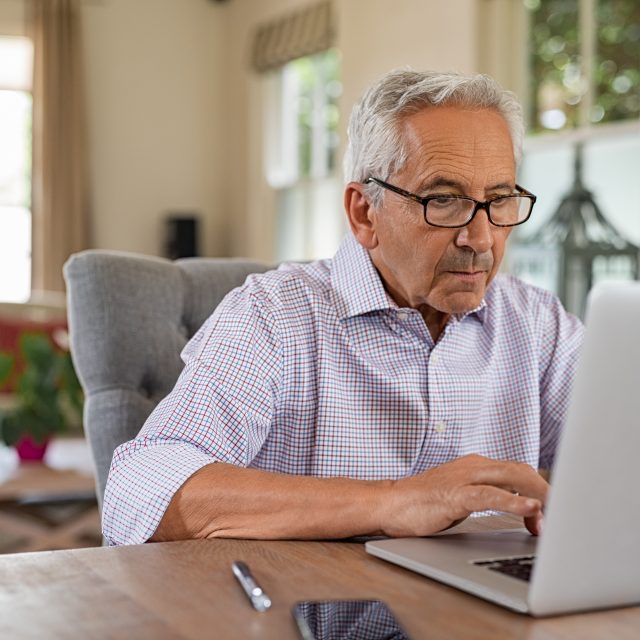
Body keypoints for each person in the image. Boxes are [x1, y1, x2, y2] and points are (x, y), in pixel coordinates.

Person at [103, 69, 583, 546]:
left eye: (499, 201)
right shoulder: (274, 315)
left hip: (488, 619)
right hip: (312, 620)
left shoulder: (537, 324)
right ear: (364, 212)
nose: (480, 239)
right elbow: (138, 493)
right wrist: (394, 501)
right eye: (443, 200)